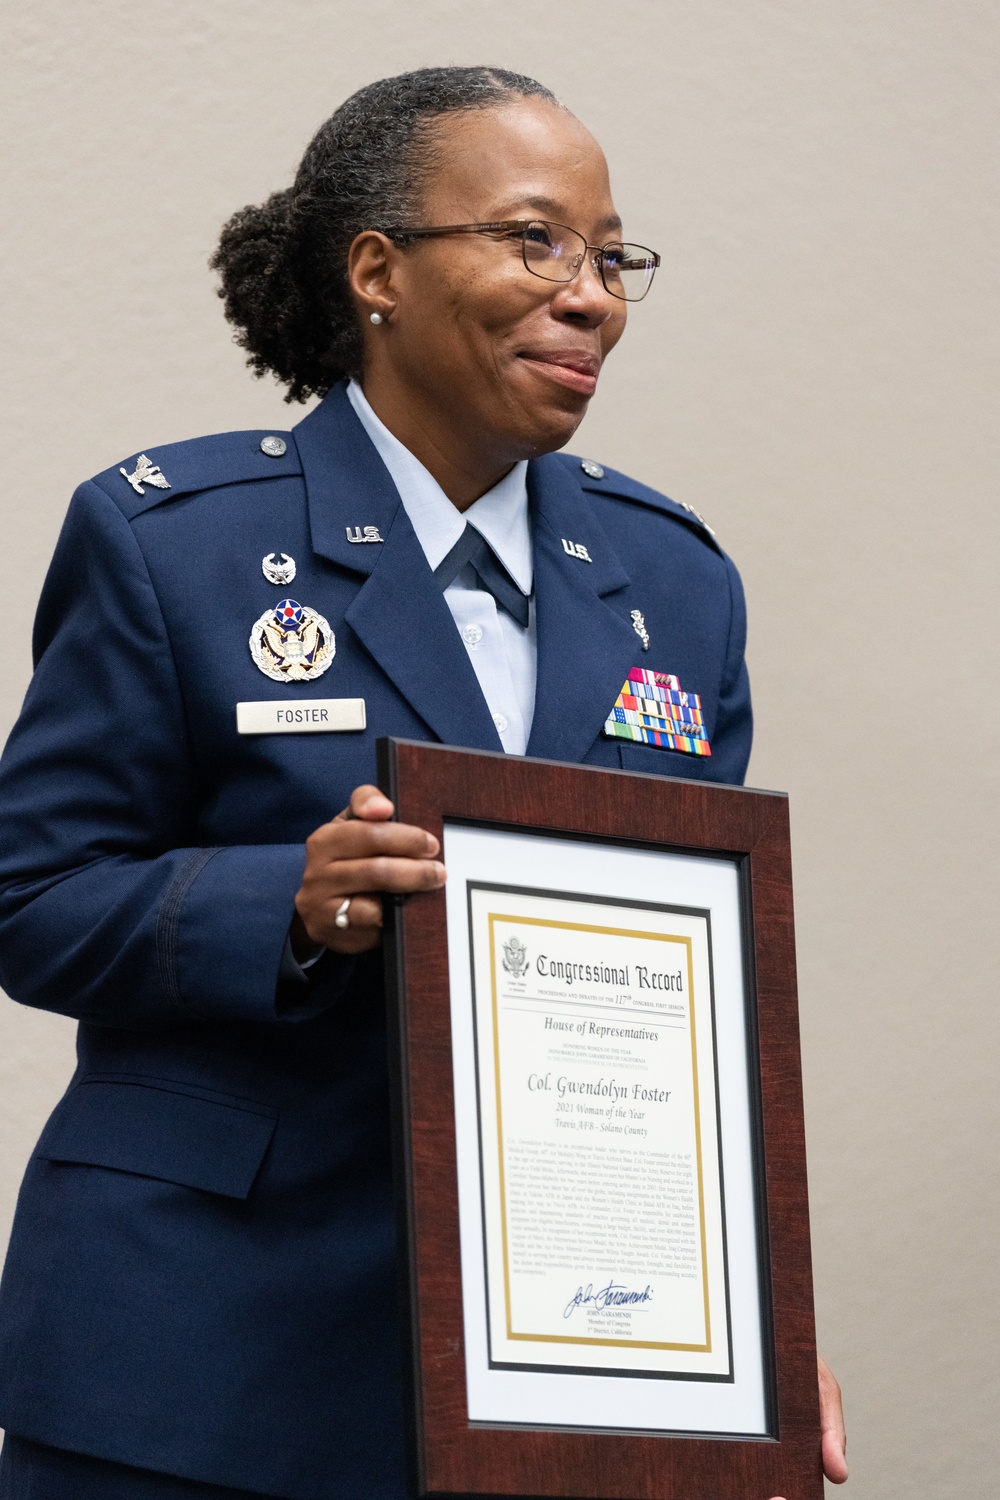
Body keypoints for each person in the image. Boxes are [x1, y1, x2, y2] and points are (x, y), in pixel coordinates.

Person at [0, 66, 846, 1500]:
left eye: (610, 255)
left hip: (559, 1368)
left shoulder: (676, 585)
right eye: (534, 239)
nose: (590, 295)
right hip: (202, 1356)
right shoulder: (177, 545)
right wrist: (292, 901)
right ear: (378, 270)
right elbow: (31, 898)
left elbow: (698, 1023)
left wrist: (753, 1322)